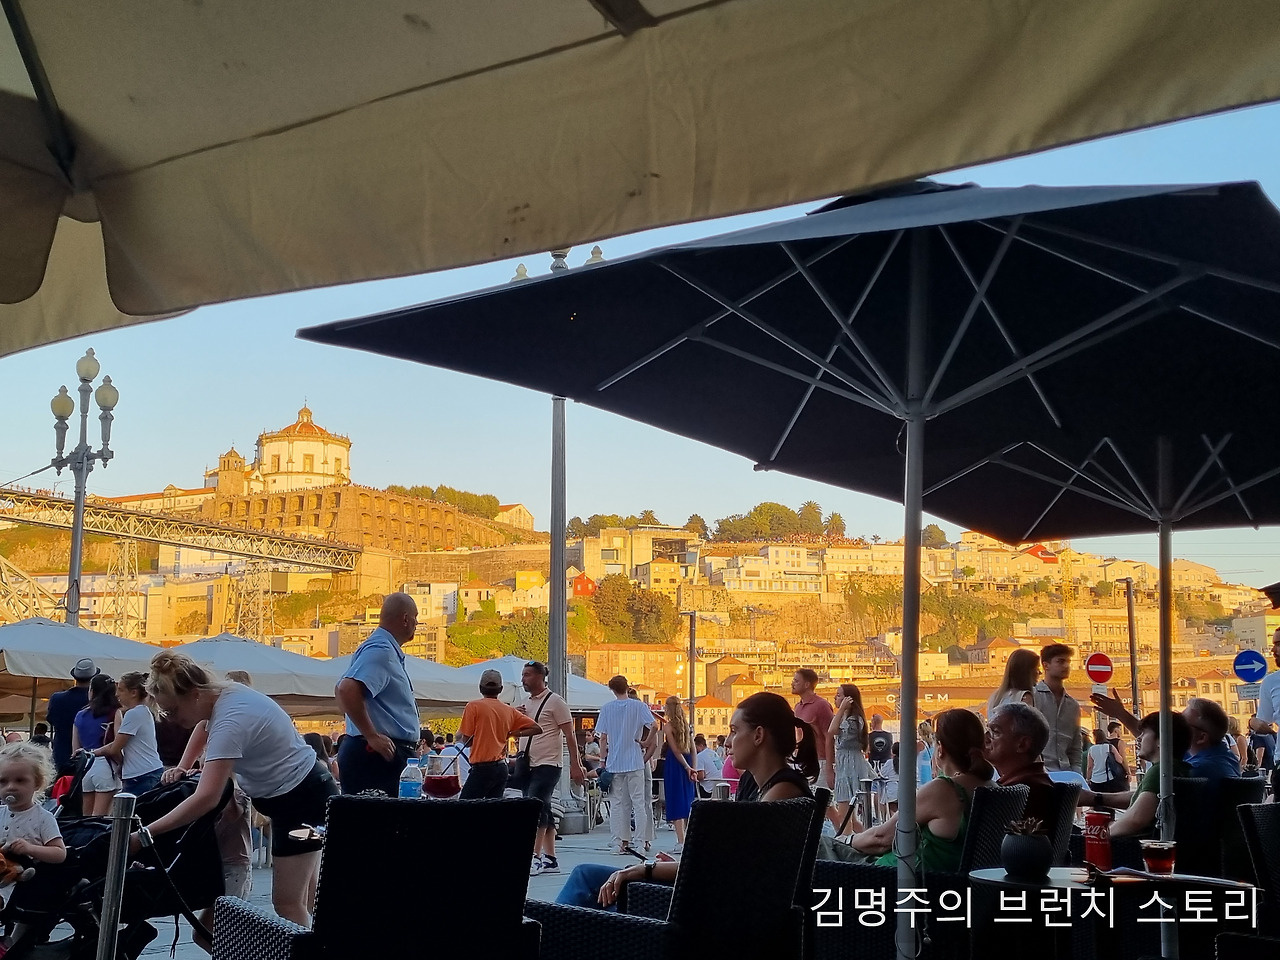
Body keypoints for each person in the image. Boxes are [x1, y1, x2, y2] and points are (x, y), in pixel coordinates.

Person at [132, 651, 338, 929]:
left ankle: (316, 949)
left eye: (173, 710)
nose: (170, 719)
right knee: (310, 897)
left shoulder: (230, 721)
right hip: (307, 795)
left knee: (288, 903)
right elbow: (203, 726)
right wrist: (183, 765)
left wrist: (146, 834)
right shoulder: (223, 696)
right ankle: (332, 943)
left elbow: (207, 797)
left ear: (194, 694)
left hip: (302, 805)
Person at [556, 691, 815, 909]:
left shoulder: (782, 793)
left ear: (758, 735)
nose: (728, 742)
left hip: (716, 910)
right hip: (715, 896)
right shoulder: (756, 783)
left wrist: (646, 869)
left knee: (586, 879)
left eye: (734, 731)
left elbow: (727, 865)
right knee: (591, 883)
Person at [832, 708, 994, 871]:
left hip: (897, 877)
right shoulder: (993, 788)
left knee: (824, 845)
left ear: (940, 749)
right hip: (956, 880)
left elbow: (881, 839)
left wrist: (846, 840)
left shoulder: (944, 790)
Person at [335, 593, 420, 795]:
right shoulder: (381, 651)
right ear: (405, 619)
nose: (417, 623)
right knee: (379, 814)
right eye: (415, 617)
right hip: (376, 757)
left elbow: (341, 690)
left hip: (376, 753)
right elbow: (346, 689)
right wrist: (371, 736)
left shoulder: (381, 649)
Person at [1079, 712, 1192, 838]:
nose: (1139, 738)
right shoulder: (1178, 768)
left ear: (1161, 740)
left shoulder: (1160, 771)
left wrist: (1100, 834)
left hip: (1138, 846)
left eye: (1144, 733)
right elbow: (1143, 797)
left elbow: (1136, 819)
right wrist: (1094, 797)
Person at [518, 660, 583, 876]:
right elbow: (517, 732)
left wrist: (576, 764)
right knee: (543, 808)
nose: (523, 679)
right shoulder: (525, 703)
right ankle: (551, 859)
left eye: (527, 675)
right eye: (523, 675)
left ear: (540, 677)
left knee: (534, 807)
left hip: (548, 764)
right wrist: (516, 716)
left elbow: (570, 735)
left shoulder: (556, 702)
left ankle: (534, 857)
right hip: (527, 763)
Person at [0, 742, 66, 953]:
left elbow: (59, 853)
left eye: (20, 780)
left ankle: (13, 941)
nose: (10, 787)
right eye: (3, 781)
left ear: (37, 783)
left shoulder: (43, 818)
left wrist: (30, 848)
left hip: (27, 878)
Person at [1091, 692, 1241, 781]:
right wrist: (1121, 714)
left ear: (1202, 737)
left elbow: (1149, 803)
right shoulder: (1220, 756)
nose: (1173, 726)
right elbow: (1155, 737)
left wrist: (1096, 798)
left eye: (1181, 723)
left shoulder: (1195, 770)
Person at [595, 676, 655, 856]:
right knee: (639, 803)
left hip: (615, 762)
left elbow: (603, 737)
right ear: (627, 687)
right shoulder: (639, 706)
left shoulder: (607, 708)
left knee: (617, 804)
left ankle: (618, 842)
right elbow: (654, 725)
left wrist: (602, 760)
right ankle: (640, 843)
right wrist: (646, 742)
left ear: (612, 689)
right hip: (635, 760)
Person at [458, 670, 541, 800]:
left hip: (482, 769)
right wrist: (511, 733)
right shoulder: (509, 710)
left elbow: (467, 741)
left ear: (480, 688)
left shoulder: (473, 706)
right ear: (501, 689)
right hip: (501, 768)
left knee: (464, 806)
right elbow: (537, 728)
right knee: (495, 809)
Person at [91, 671, 164, 795]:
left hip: (142, 775)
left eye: (121, 690)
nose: (116, 694)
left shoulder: (133, 713)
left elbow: (115, 748)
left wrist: (92, 753)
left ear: (133, 693)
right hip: (145, 772)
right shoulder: (143, 711)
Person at [985, 703, 1055, 825]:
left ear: (1022, 744)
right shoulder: (1038, 782)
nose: (985, 738)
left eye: (995, 732)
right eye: (987, 730)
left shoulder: (1018, 793)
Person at [73, 674, 122, 815]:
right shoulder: (115, 713)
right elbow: (117, 745)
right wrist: (121, 764)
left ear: (92, 691)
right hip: (105, 764)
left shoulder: (80, 715)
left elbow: (75, 748)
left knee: (86, 817)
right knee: (102, 816)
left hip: (85, 765)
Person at [828, 683, 871, 834]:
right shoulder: (847, 718)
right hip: (845, 763)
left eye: (839, 695)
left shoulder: (853, 721)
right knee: (851, 817)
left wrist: (840, 709)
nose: (835, 698)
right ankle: (867, 839)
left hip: (850, 765)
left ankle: (846, 841)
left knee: (844, 813)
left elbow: (832, 730)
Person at [1032, 644, 1082, 774]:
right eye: (1060, 661)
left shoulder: (1073, 705)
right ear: (1046, 665)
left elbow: (1075, 746)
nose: (1066, 666)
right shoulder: (1033, 697)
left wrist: (1076, 774)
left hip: (1066, 773)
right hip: (1038, 772)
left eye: (1068, 662)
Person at [46, 658, 97, 775]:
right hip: (89, 758)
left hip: (61, 755)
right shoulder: (97, 702)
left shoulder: (57, 699)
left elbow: (51, 719)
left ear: (74, 677)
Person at [659, 696, 697, 854]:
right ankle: (687, 840)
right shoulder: (686, 726)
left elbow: (675, 750)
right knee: (687, 801)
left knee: (676, 801)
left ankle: (681, 841)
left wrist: (687, 767)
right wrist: (693, 768)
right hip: (688, 762)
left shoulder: (668, 727)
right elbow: (693, 749)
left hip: (675, 765)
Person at [792, 669, 834, 788]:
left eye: (796, 681)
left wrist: (829, 768)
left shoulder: (821, 705)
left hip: (820, 762)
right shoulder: (798, 707)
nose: (792, 683)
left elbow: (830, 736)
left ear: (807, 684)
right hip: (803, 761)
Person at [987, 648, 1040, 715]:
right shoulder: (1025, 698)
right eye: (1037, 668)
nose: (1039, 672)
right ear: (1028, 672)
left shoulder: (995, 697)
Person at [1086, 727, 1127, 794]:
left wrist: (1088, 779)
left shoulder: (1091, 749)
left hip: (1095, 779)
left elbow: (1090, 767)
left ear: (1095, 738)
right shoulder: (1110, 747)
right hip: (1108, 778)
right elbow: (1120, 760)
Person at [693, 733, 722, 798]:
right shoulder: (713, 753)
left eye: (695, 747)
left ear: (701, 745)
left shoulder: (699, 756)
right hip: (719, 785)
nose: (694, 750)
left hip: (708, 789)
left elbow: (701, 776)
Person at [917, 720, 935, 787]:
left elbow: (911, 756)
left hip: (920, 769)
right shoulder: (932, 744)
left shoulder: (920, 744)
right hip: (928, 769)